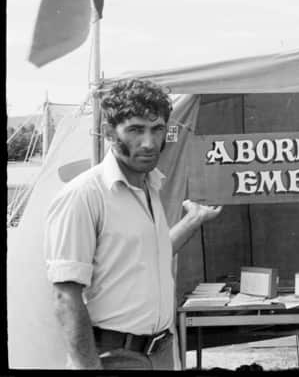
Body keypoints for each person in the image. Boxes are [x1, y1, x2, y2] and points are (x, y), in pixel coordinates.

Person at [44, 78, 223, 370]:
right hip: (114, 357)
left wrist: (193, 220)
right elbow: (66, 297)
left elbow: (153, 253)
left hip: (161, 351)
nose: (149, 143)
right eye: (135, 130)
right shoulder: (84, 196)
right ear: (108, 133)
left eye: (157, 129)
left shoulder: (149, 186)